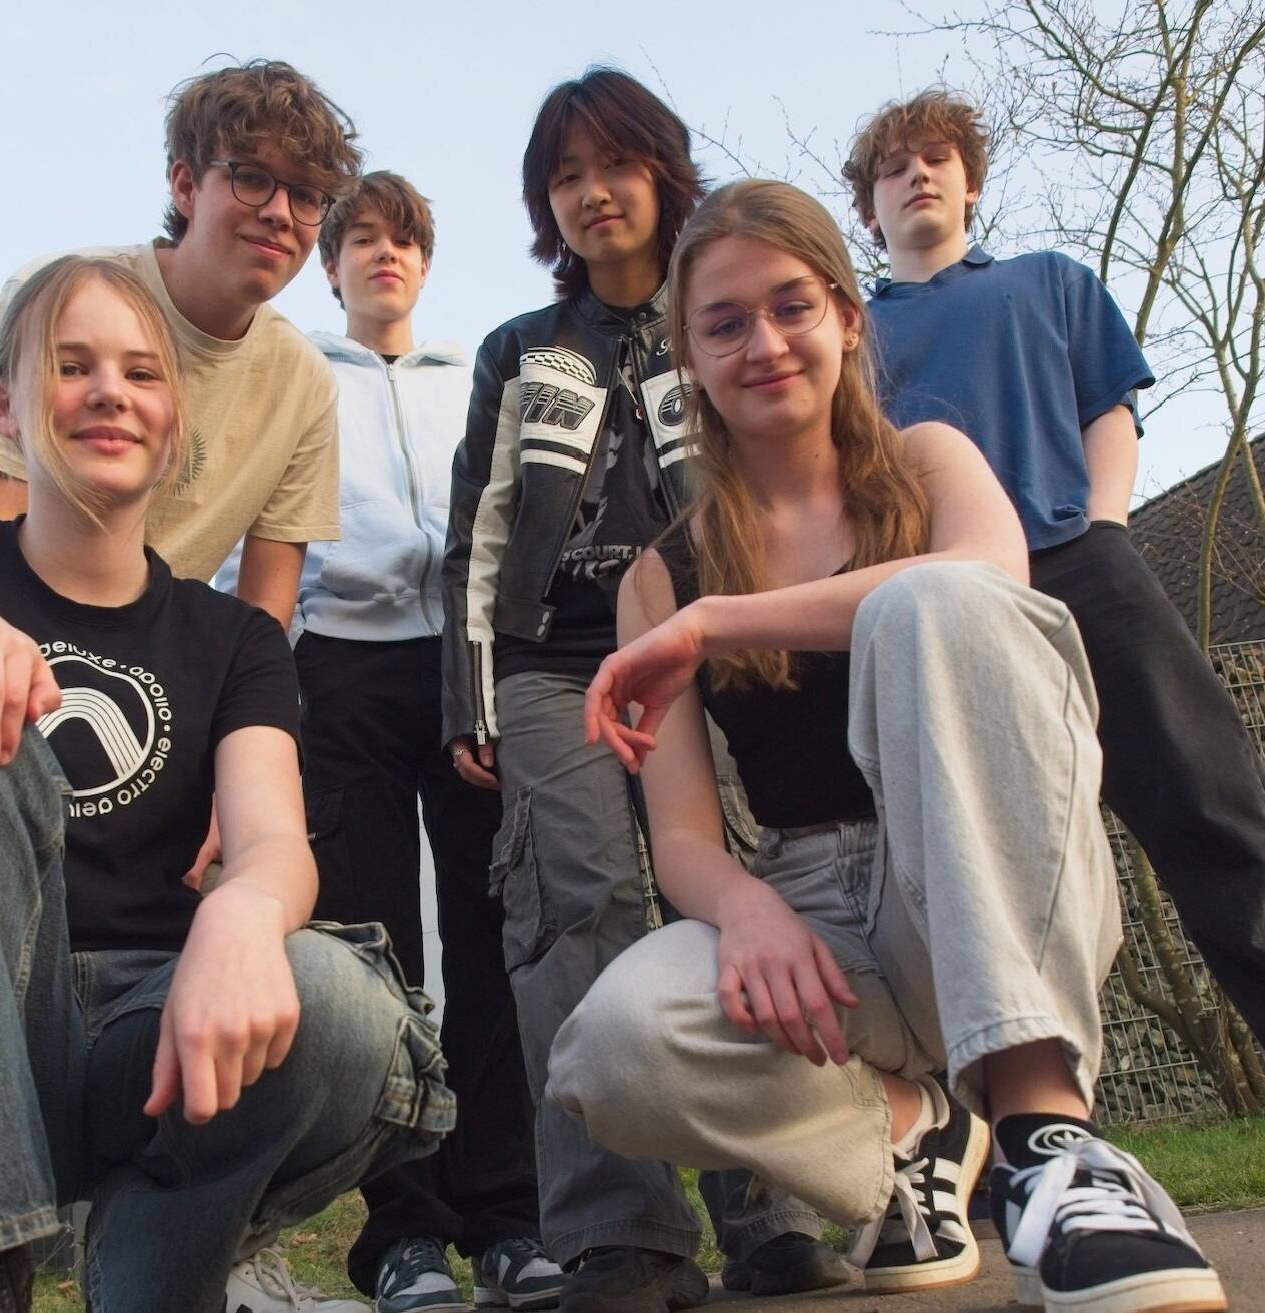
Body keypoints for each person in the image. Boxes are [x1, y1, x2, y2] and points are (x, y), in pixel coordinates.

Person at [547, 179, 1229, 1313]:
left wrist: (718, 622)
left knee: (933, 606)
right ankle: (916, 1132)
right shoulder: (660, 570)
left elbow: (986, 586)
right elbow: (680, 835)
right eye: (724, 323)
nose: (763, 343)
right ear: (690, 361)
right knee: (610, 1047)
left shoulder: (930, 463)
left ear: (848, 319)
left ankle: (1051, 1142)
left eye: (792, 306)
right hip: (818, 917)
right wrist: (747, 907)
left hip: (987, 872)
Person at [0, 256, 452, 1313]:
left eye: (141, 373)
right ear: (3, 404)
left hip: (144, 1038)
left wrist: (247, 915)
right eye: (72, 366)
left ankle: (157, 1278)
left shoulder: (235, 637)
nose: (109, 391)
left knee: (339, 999)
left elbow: (271, 840)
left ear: (177, 419)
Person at [440, 69, 844, 1313]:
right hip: (559, 659)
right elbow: (476, 532)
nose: (590, 193)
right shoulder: (520, 350)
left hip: (707, 641)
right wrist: (472, 691)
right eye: (563, 175)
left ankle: (774, 1212)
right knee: (581, 894)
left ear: (663, 171)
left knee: (738, 886)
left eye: (611, 164)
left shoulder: (720, 320)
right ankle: (622, 1234)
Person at [844, 89, 1265, 1041]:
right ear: (868, 209)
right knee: (991, 873)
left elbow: (1109, 408)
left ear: (971, 186)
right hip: (949, 606)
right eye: (893, 166)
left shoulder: (1048, 281)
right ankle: (1030, 1142)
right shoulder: (847, 344)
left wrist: (1107, 526)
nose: (917, 175)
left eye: (937, 160)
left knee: (1217, 813)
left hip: (1082, 563)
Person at [290, 171, 562, 1313]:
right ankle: (401, 1230)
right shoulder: (296, 374)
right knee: (371, 942)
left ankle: (506, 1217)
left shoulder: (476, 375)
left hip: (463, 662)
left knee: (489, 931)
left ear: (425, 261)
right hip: (338, 663)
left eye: (402, 239)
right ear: (333, 264)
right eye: (360, 240)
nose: (383, 256)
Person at [0, 58, 359, 630]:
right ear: (185, 185)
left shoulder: (304, 384)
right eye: (251, 178)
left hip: (137, 672)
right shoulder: (54, 296)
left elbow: (261, 625)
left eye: (306, 195)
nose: (280, 213)